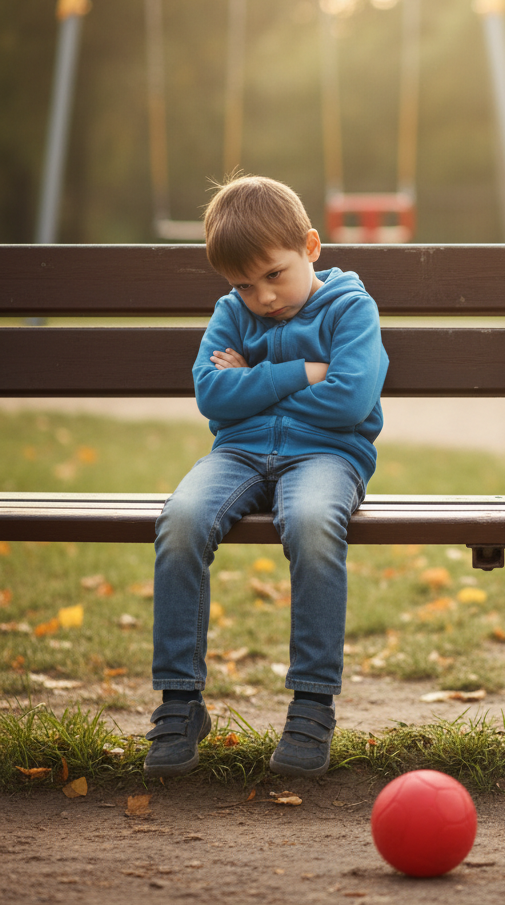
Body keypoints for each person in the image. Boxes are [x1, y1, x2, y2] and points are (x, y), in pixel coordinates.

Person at [144, 176, 388, 779]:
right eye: (244, 285)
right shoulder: (231, 312)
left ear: (310, 247)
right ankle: (180, 702)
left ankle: (312, 704)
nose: (264, 298)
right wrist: (302, 373)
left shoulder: (351, 308)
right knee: (180, 521)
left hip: (327, 457)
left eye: (274, 275)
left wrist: (250, 383)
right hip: (239, 454)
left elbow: (350, 401)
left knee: (309, 523)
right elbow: (209, 394)